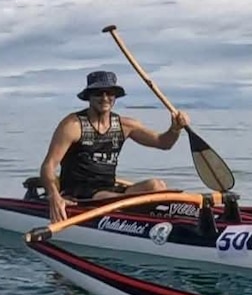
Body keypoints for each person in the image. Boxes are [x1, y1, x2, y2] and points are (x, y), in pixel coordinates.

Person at [40, 70, 190, 223]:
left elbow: (164, 143)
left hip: (109, 189)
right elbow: (48, 166)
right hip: (79, 194)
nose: (105, 98)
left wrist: (175, 129)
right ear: (89, 97)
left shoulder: (125, 125)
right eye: (98, 93)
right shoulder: (72, 125)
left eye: (110, 93)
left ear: (115, 97)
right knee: (111, 198)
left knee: (156, 186)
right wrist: (54, 196)